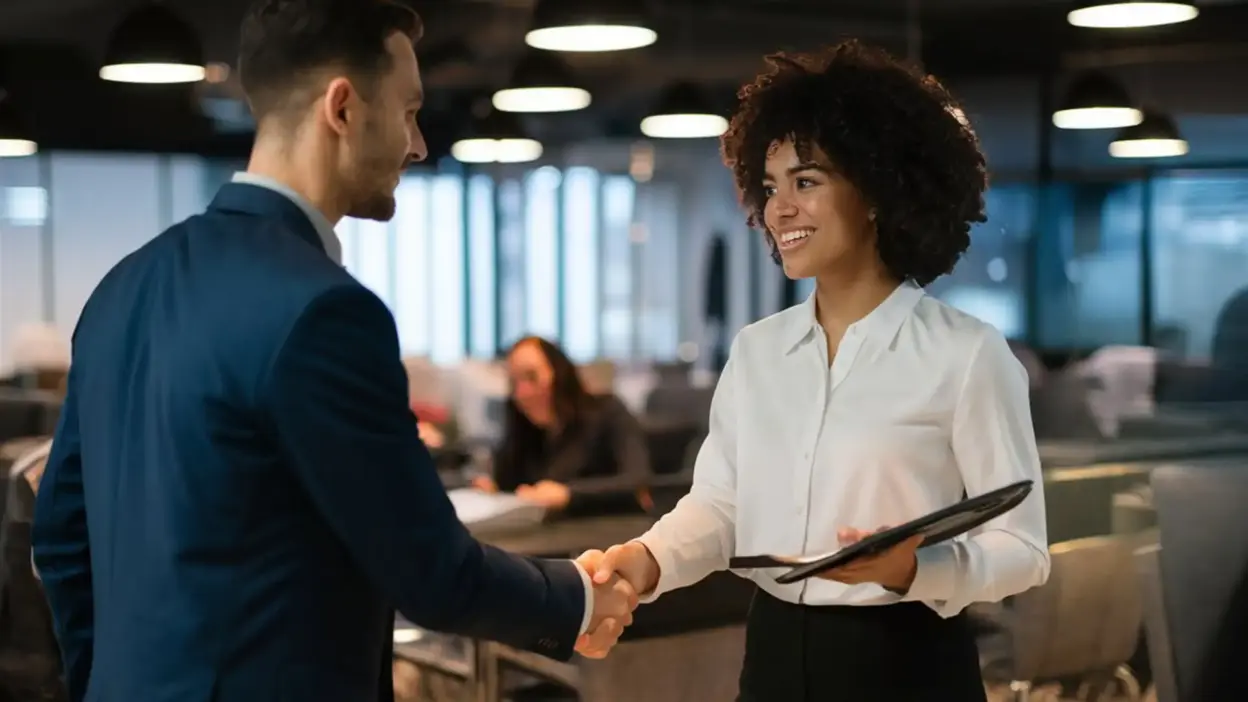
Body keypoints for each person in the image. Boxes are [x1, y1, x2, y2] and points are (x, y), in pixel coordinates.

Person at [30, 2, 635, 701]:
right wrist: (579, 599)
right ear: (343, 108)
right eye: (409, 112)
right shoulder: (326, 311)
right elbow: (429, 569)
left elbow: (61, 538)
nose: (418, 146)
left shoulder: (121, 287)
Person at [578, 41, 1050, 700]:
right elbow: (720, 509)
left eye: (807, 181)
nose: (780, 209)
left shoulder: (967, 355)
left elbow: (1024, 551)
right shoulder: (756, 352)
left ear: (879, 190)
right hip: (773, 654)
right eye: (770, 188)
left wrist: (915, 568)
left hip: (906, 663)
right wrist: (645, 561)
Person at [473, 336, 650, 515]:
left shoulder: (606, 411)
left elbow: (635, 481)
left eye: (531, 377)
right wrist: (495, 489)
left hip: (608, 530)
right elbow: (512, 483)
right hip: (548, 535)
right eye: (514, 382)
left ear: (559, 373)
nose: (522, 393)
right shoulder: (527, 430)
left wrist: (569, 494)